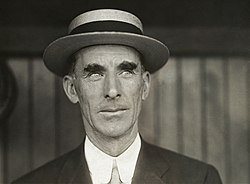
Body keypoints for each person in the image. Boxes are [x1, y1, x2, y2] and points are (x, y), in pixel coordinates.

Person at [13, 9, 222, 184]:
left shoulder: (198, 179)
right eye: (95, 73)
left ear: (145, 85)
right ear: (72, 89)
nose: (112, 90)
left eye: (126, 71)